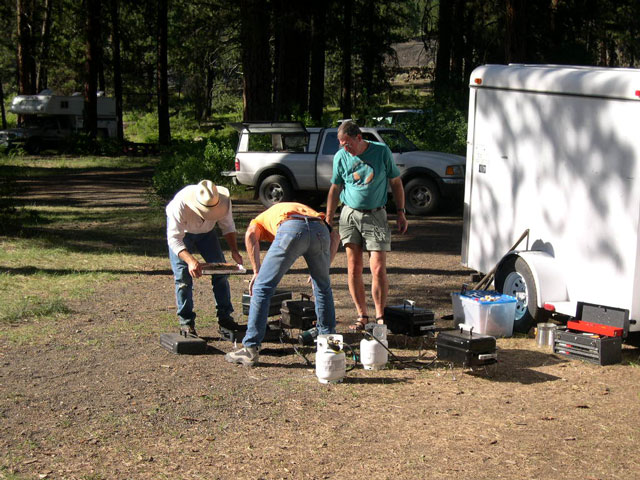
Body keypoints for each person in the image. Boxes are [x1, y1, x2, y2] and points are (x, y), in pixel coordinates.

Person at [225, 202, 340, 366]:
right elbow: (335, 236)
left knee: (262, 288)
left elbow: (251, 235)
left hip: (292, 228)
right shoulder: (298, 208)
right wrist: (324, 268)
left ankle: (250, 348)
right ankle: (329, 344)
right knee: (323, 288)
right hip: (320, 229)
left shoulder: (259, 220)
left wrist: (257, 272)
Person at [325, 120, 408, 331]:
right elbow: (335, 188)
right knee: (354, 268)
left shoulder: (381, 152)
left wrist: (400, 212)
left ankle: (380, 316)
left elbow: (396, 182)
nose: (345, 148)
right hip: (349, 214)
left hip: (376, 215)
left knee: (378, 268)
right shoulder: (341, 157)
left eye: (347, 144)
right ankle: (362, 315)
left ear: (359, 138)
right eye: (342, 144)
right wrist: (328, 218)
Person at [166, 179, 243, 336]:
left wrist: (234, 250)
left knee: (221, 272)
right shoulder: (179, 205)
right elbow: (174, 239)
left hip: (207, 233)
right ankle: (186, 322)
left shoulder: (222, 201)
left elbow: (228, 226)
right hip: (183, 234)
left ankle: (225, 318)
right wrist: (190, 261)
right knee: (183, 277)